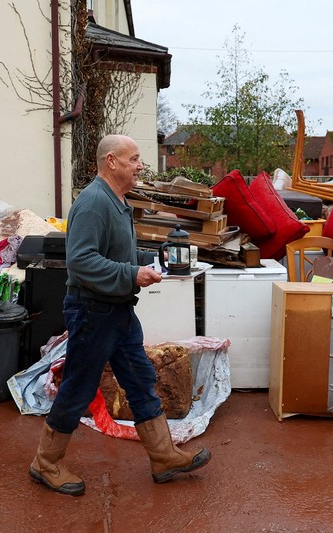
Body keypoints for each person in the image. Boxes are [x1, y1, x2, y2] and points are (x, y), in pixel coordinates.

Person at [29, 134, 211, 496]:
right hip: (92, 312)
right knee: (80, 386)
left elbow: (114, 253)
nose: (139, 165)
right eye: (134, 158)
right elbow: (80, 261)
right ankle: (45, 463)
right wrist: (131, 275)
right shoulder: (95, 202)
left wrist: (149, 262)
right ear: (111, 161)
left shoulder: (118, 202)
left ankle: (162, 456)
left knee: (141, 378)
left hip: (118, 310)